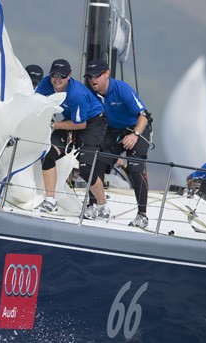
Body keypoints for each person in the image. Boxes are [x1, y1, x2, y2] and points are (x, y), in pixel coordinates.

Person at [34, 59, 108, 215]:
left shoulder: (77, 94)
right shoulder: (46, 84)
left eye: (61, 76)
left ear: (69, 76)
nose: (57, 80)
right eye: (54, 75)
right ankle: (50, 201)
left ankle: (102, 206)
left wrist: (54, 125)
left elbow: (80, 125)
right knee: (48, 154)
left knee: (85, 169)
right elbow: (35, 103)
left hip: (92, 123)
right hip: (69, 120)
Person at [85, 59, 151, 228]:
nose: (93, 80)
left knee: (135, 168)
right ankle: (95, 206)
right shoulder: (92, 93)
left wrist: (135, 135)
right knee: (95, 162)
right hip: (114, 131)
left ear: (107, 73)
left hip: (137, 128)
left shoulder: (122, 89)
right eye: (90, 77)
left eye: (97, 76)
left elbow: (143, 115)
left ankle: (142, 215)